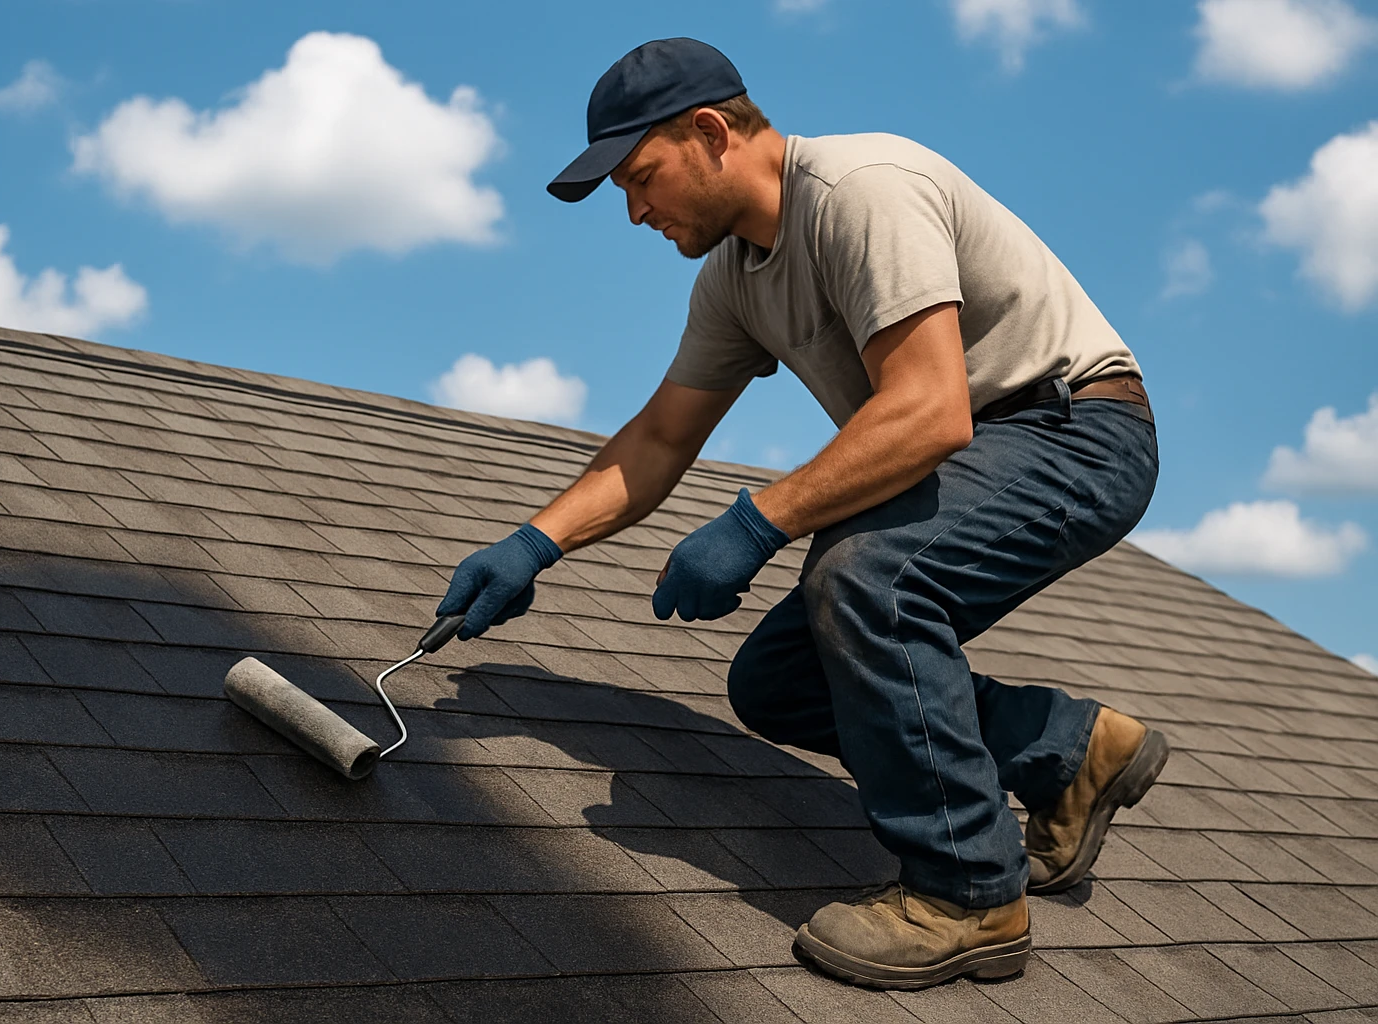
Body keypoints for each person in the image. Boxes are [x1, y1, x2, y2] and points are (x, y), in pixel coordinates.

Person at [435, 37, 1169, 990]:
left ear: (709, 133)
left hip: (1075, 430)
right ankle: (1064, 748)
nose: (636, 211)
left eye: (641, 178)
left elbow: (929, 408)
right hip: (980, 445)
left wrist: (753, 525)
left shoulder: (862, 188)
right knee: (778, 682)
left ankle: (968, 894)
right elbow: (660, 437)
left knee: (867, 577)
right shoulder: (735, 278)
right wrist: (534, 545)